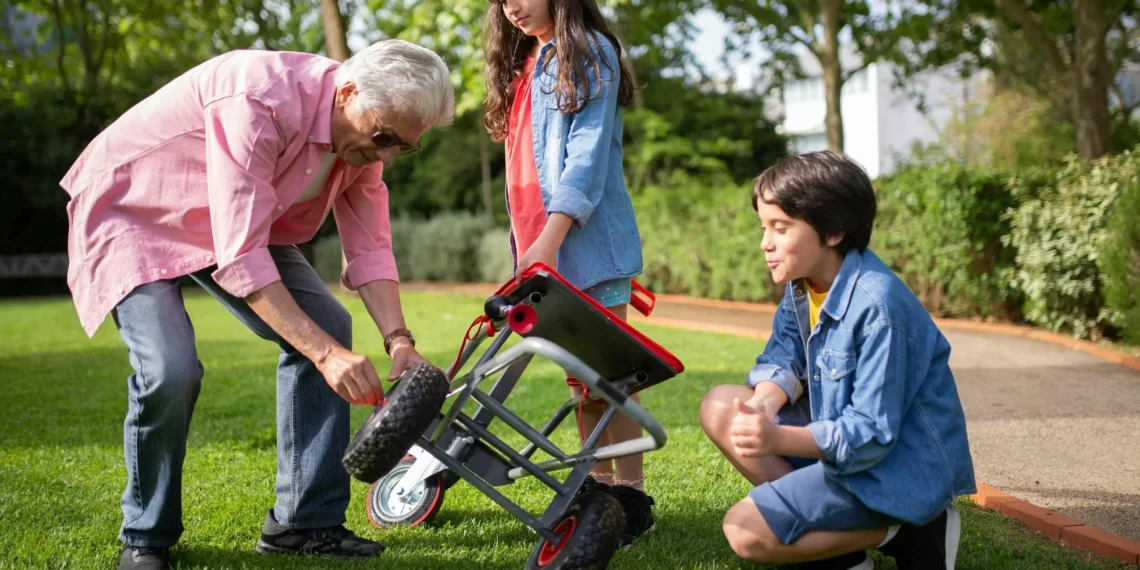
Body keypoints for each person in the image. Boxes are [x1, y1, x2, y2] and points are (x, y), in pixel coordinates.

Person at [58, 40, 455, 570]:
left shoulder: (361, 132)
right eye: (384, 138)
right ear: (350, 92)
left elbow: (371, 245)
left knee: (327, 322)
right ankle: (146, 537)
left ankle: (302, 522)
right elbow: (240, 256)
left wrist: (399, 341)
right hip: (133, 210)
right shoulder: (259, 98)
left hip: (231, 216)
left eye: (404, 148)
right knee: (169, 368)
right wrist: (325, 355)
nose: (386, 155)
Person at [698, 151, 976, 570]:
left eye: (781, 227)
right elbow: (783, 356)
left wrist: (775, 440)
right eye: (763, 227)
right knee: (720, 406)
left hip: (894, 468)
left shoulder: (879, 308)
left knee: (746, 530)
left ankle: (912, 526)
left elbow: (870, 434)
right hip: (845, 456)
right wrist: (765, 404)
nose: (765, 243)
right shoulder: (803, 286)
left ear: (833, 231)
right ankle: (841, 552)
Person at [483, 0, 654, 548]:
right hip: (538, 245)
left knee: (608, 374)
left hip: (577, 244)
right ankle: (597, 485)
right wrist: (531, 249)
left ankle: (630, 497)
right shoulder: (526, 61)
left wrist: (550, 242)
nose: (511, 5)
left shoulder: (588, 51)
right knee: (581, 378)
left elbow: (584, 157)